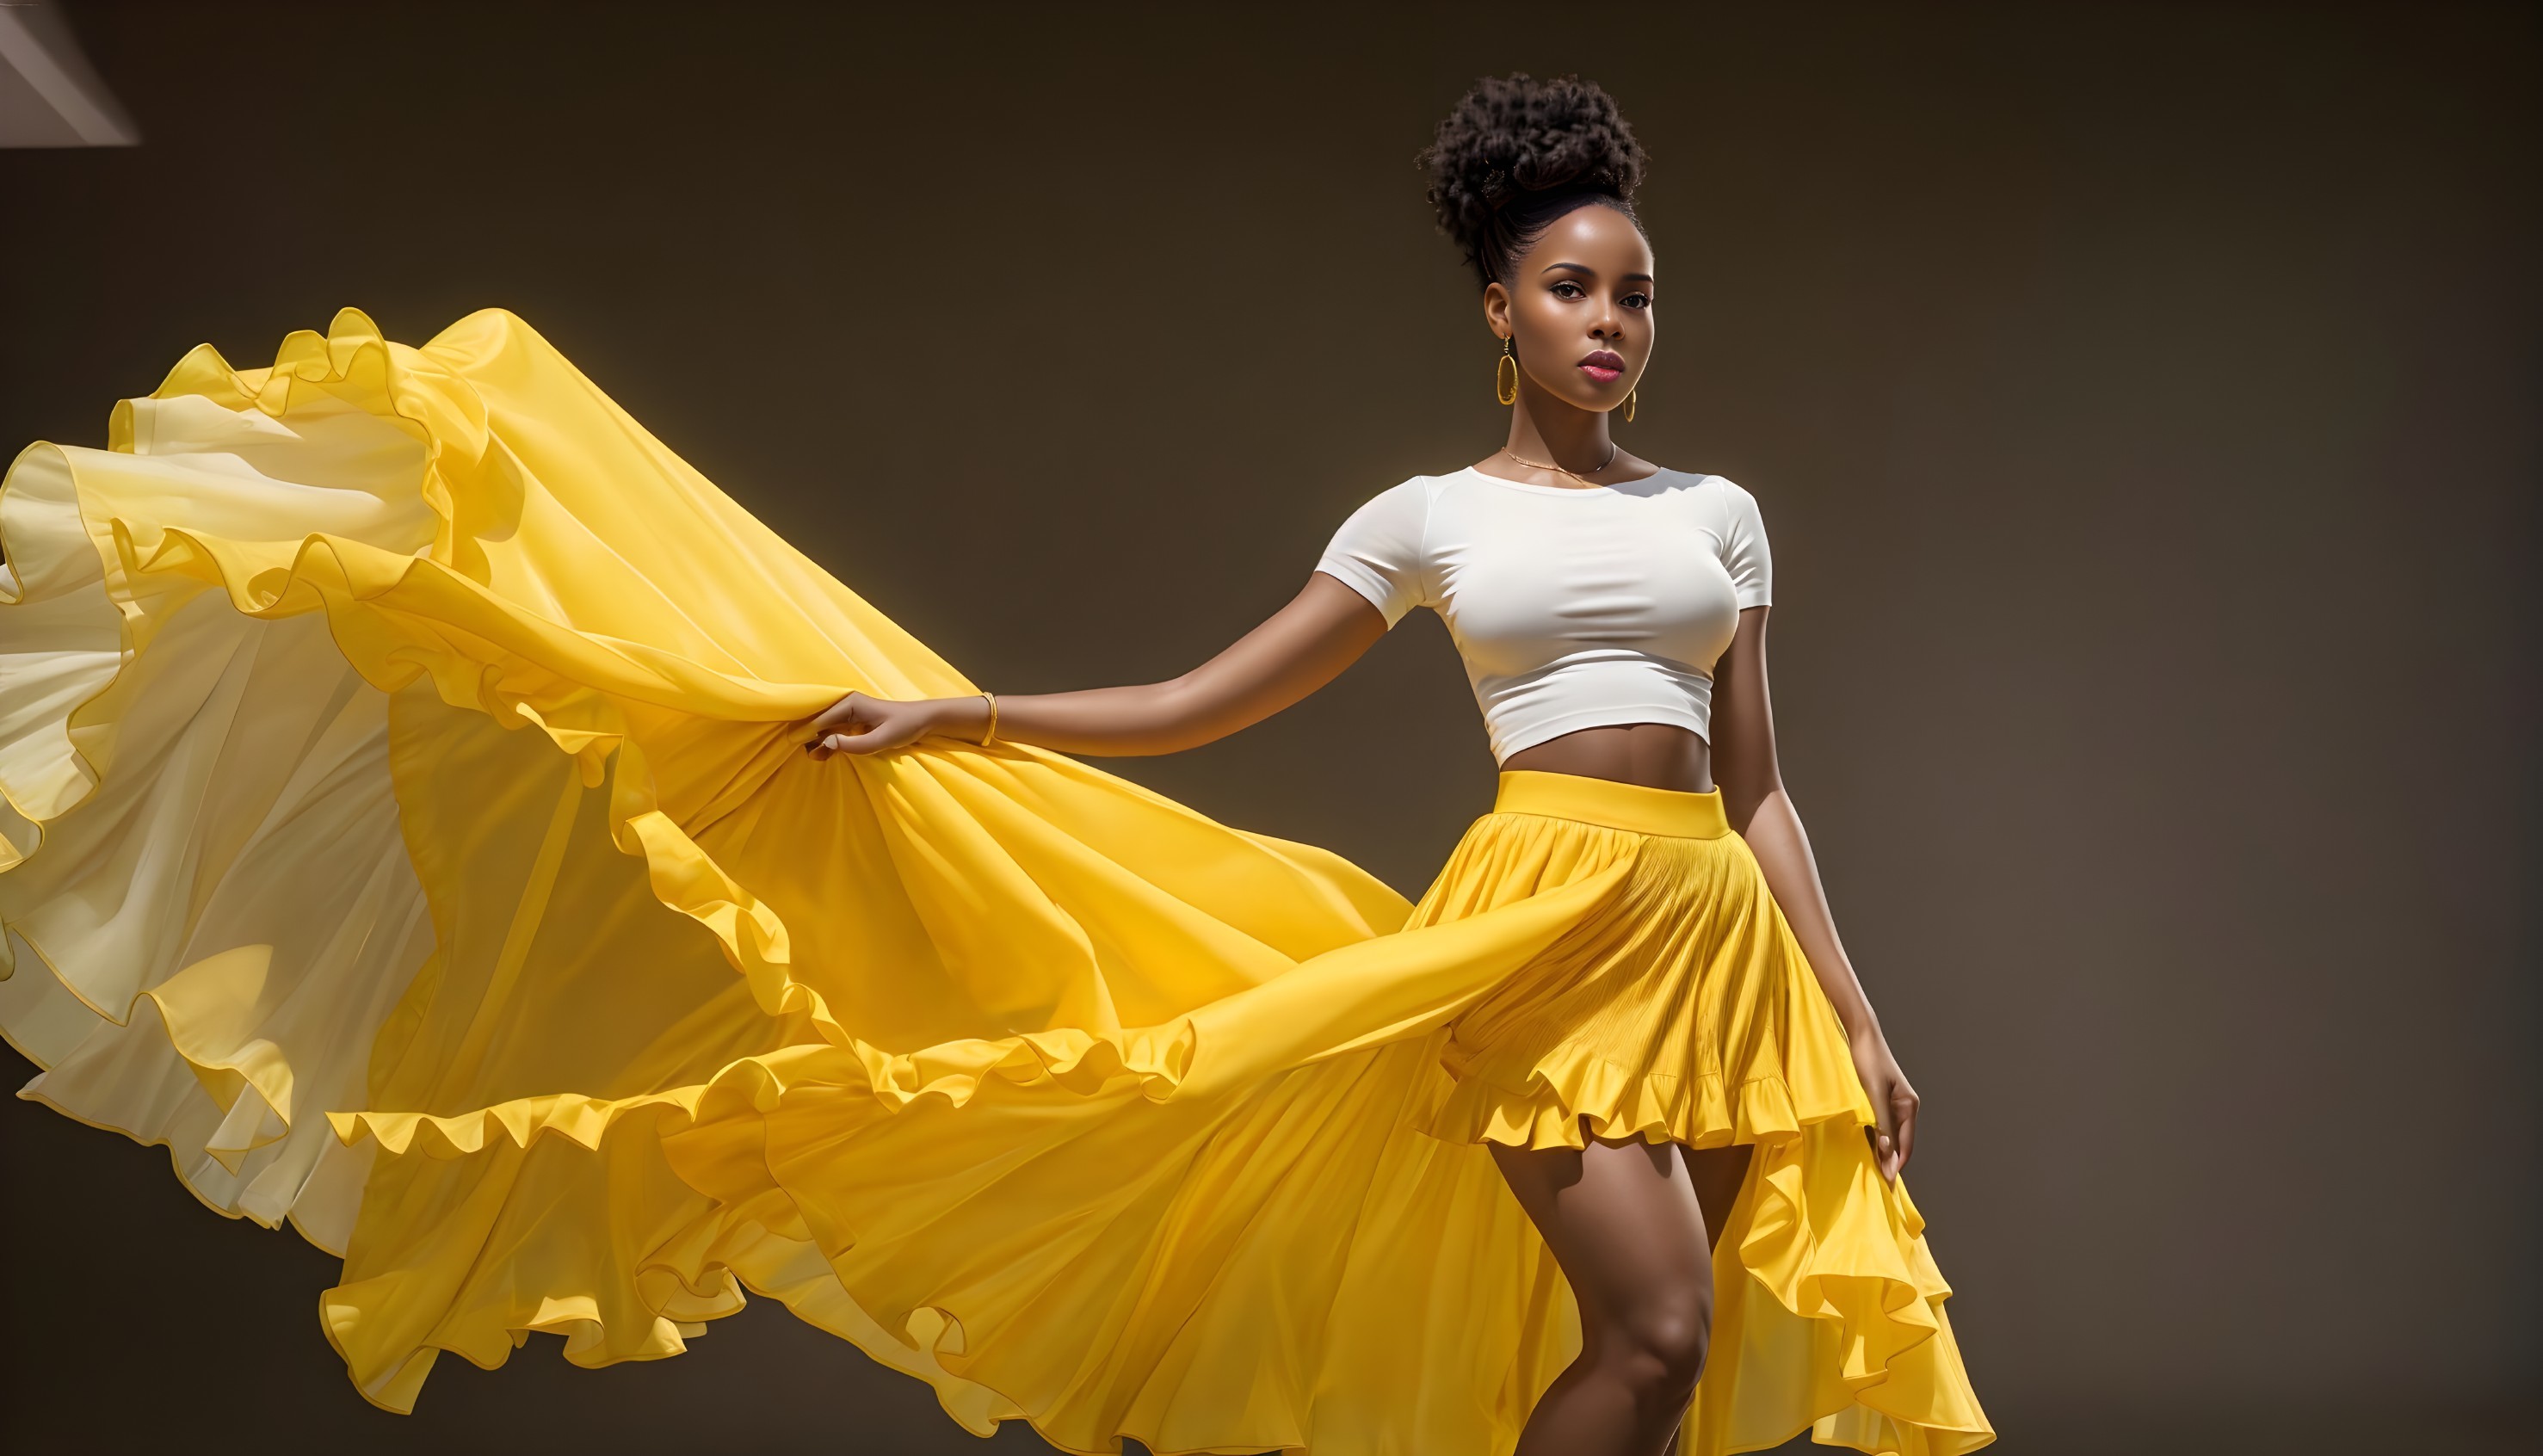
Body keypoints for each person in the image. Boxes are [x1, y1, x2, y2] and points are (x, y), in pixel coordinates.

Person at [0, 73, 1987, 1456]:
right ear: (1499, 312)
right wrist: (972, 715)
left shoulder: (1719, 515)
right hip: (1545, 934)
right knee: (1652, 1330)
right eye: (1572, 287)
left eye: (1634, 289)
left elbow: (1758, 790)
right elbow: (1211, 699)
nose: (1611, 320)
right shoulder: (1426, 518)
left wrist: (1857, 1020)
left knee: (1660, 1362)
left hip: (1717, 945)